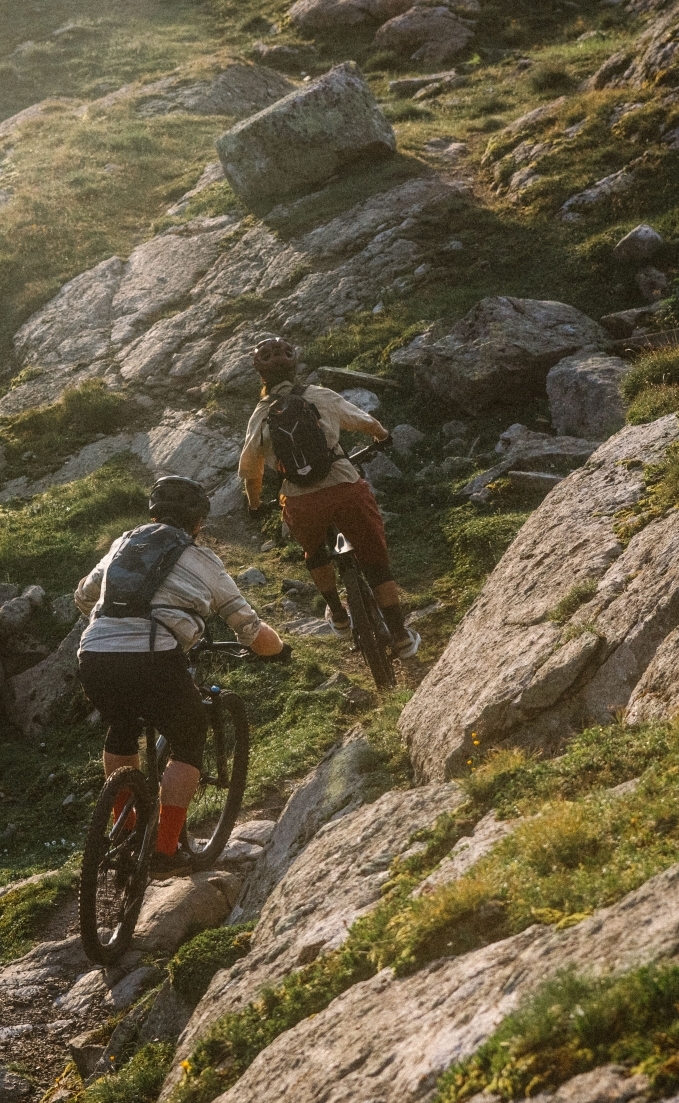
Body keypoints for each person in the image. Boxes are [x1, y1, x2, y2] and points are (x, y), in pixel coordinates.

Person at [73, 475, 287, 876]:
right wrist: (281, 651)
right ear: (198, 523)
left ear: (153, 513)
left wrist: (115, 626)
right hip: (155, 657)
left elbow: (84, 595)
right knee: (188, 735)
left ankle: (126, 828)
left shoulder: (124, 544)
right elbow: (249, 629)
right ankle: (166, 848)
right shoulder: (202, 560)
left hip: (95, 653)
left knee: (121, 725)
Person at [236, 336, 420, 659]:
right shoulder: (319, 396)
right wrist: (382, 436)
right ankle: (401, 636)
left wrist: (254, 506)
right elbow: (366, 422)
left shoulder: (261, 415)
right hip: (345, 489)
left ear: (260, 376)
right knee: (375, 562)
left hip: (302, 503)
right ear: (294, 367)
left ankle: (337, 613)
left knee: (314, 551)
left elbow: (251, 472)